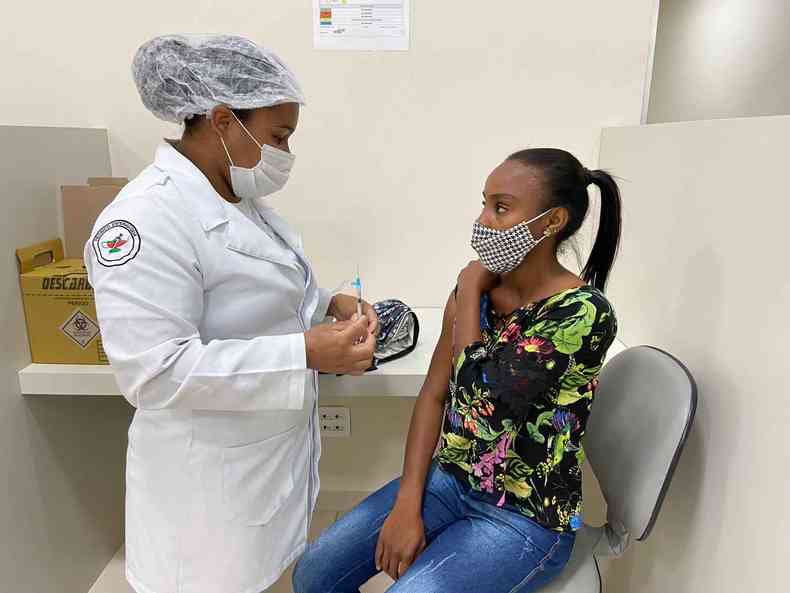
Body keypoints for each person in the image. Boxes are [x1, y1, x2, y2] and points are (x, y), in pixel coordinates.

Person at [85, 35, 378, 593]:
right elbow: (154, 372)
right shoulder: (146, 221)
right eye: (278, 136)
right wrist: (305, 351)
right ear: (223, 120)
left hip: (258, 471)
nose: (286, 153)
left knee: (258, 571)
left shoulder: (234, 198)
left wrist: (326, 304)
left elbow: (248, 294)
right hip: (201, 495)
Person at [292, 148, 621, 593]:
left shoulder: (582, 314)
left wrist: (468, 293)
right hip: (449, 481)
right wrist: (409, 500)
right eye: (484, 202)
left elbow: (482, 401)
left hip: (526, 515)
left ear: (552, 222)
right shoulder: (480, 291)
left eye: (501, 207)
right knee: (313, 574)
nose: (483, 219)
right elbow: (434, 394)